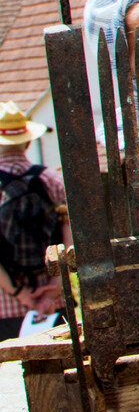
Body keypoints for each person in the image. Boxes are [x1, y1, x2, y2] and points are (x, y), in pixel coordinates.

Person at [0, 104, 70, 341]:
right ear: (28, 141)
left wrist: (20, 293)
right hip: (53, 303)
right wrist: (55, 288)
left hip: (5, 307)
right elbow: (68, 242)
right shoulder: (50, 179)